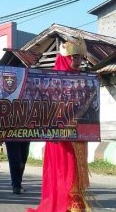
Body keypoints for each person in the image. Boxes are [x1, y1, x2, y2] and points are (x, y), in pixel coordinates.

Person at [27, 37, 91, 212]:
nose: (77, 61)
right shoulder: (53, 80)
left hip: (78, 135)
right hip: (60, 138)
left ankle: (73, 204)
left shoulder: (84, 79)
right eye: (74, 57)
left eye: (79, 57)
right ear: (65, 57)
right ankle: (67, 204)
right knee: (64, 170)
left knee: (76, 170)